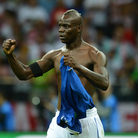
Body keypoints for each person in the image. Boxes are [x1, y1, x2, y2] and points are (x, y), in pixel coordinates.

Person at [2, 9, 109, 138]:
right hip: (61, 119)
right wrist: (10, 56)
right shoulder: (55, 55)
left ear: (79, 28)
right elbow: (25, 73)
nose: (61, 30)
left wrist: (78, 67)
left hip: (86, 120)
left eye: (66, 26)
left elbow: (104, 83)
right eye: (60, 26)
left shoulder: (94, 55)